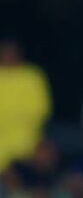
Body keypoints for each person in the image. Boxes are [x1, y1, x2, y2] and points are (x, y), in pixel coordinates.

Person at [0, 40, 51, 174]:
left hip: (28, 142)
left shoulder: (32, 76)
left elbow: (41, 112)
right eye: (4, 52)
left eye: (11, 52)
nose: (8, 56)